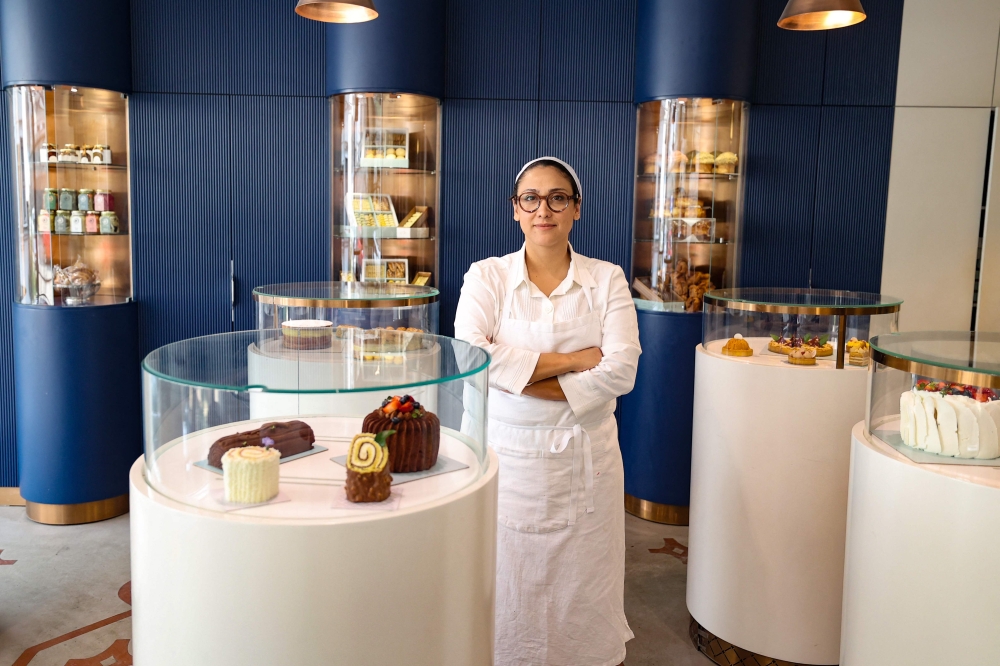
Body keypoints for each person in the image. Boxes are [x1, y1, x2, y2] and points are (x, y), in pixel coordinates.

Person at [454, 157, 641, 666]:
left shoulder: (606, 280)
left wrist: (515, 375)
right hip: (504, 464)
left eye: (558, 197)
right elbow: (472, 358)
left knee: (580, 592)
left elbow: (621, 373)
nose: (544, 209)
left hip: (586, 469)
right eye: (531, 198)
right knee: (506, 586)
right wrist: (577, 362)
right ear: (515, 210)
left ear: (576, 209)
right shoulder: (486, 277)